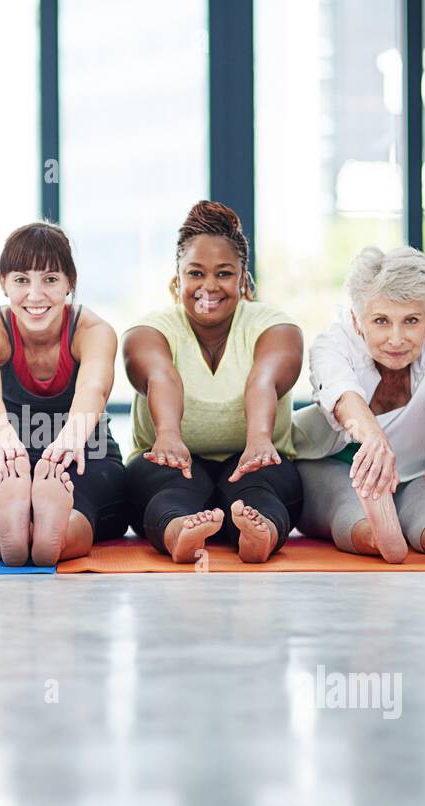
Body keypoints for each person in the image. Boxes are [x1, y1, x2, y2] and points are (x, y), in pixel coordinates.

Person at [122, 200, 302, 564]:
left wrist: (259, 441)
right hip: (171, 463)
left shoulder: (276, 328)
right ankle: (178, 532)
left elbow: (263, 381)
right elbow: (161, 375)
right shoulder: (148, 331)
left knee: (261, 485)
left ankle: (259, 535)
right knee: (168, 485)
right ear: (177, 280)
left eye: (223, 274)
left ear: (243, 280)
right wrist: (169, 435)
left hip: (253, 461)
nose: (209, 286)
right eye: (195, 273)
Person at [293, 246, 425, 564]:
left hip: (423, 471)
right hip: (338, 466)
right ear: (357, 320)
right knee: (347, 508)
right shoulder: (332, 344)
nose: (396, 338)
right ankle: (380, 532)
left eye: (411, 321)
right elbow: (342, 396)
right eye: (381, 321)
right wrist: (373, 440)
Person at [0, 222, 127, 565]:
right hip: (8, 459)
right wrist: (3, 437)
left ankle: (46, 536)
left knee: (84, 505)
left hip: (85, 456)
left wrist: (70, 439)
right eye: (22, 280)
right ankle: (15, 533)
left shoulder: (94, 331)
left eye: (50, 279)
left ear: (70, 282)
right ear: (3, 283)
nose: (35, 295)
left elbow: (93, 388)